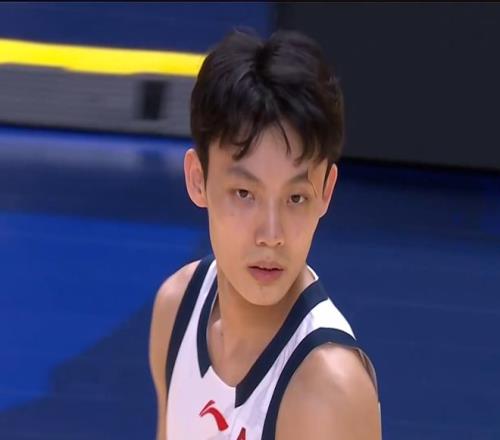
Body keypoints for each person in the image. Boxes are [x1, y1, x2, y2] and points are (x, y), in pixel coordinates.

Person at [149, 28, 381, 440]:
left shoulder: (329, 390)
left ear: (326, 192)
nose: (271, 235)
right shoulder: (176, 309)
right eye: (245, 193)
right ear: (198, 180)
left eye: (295, 198)